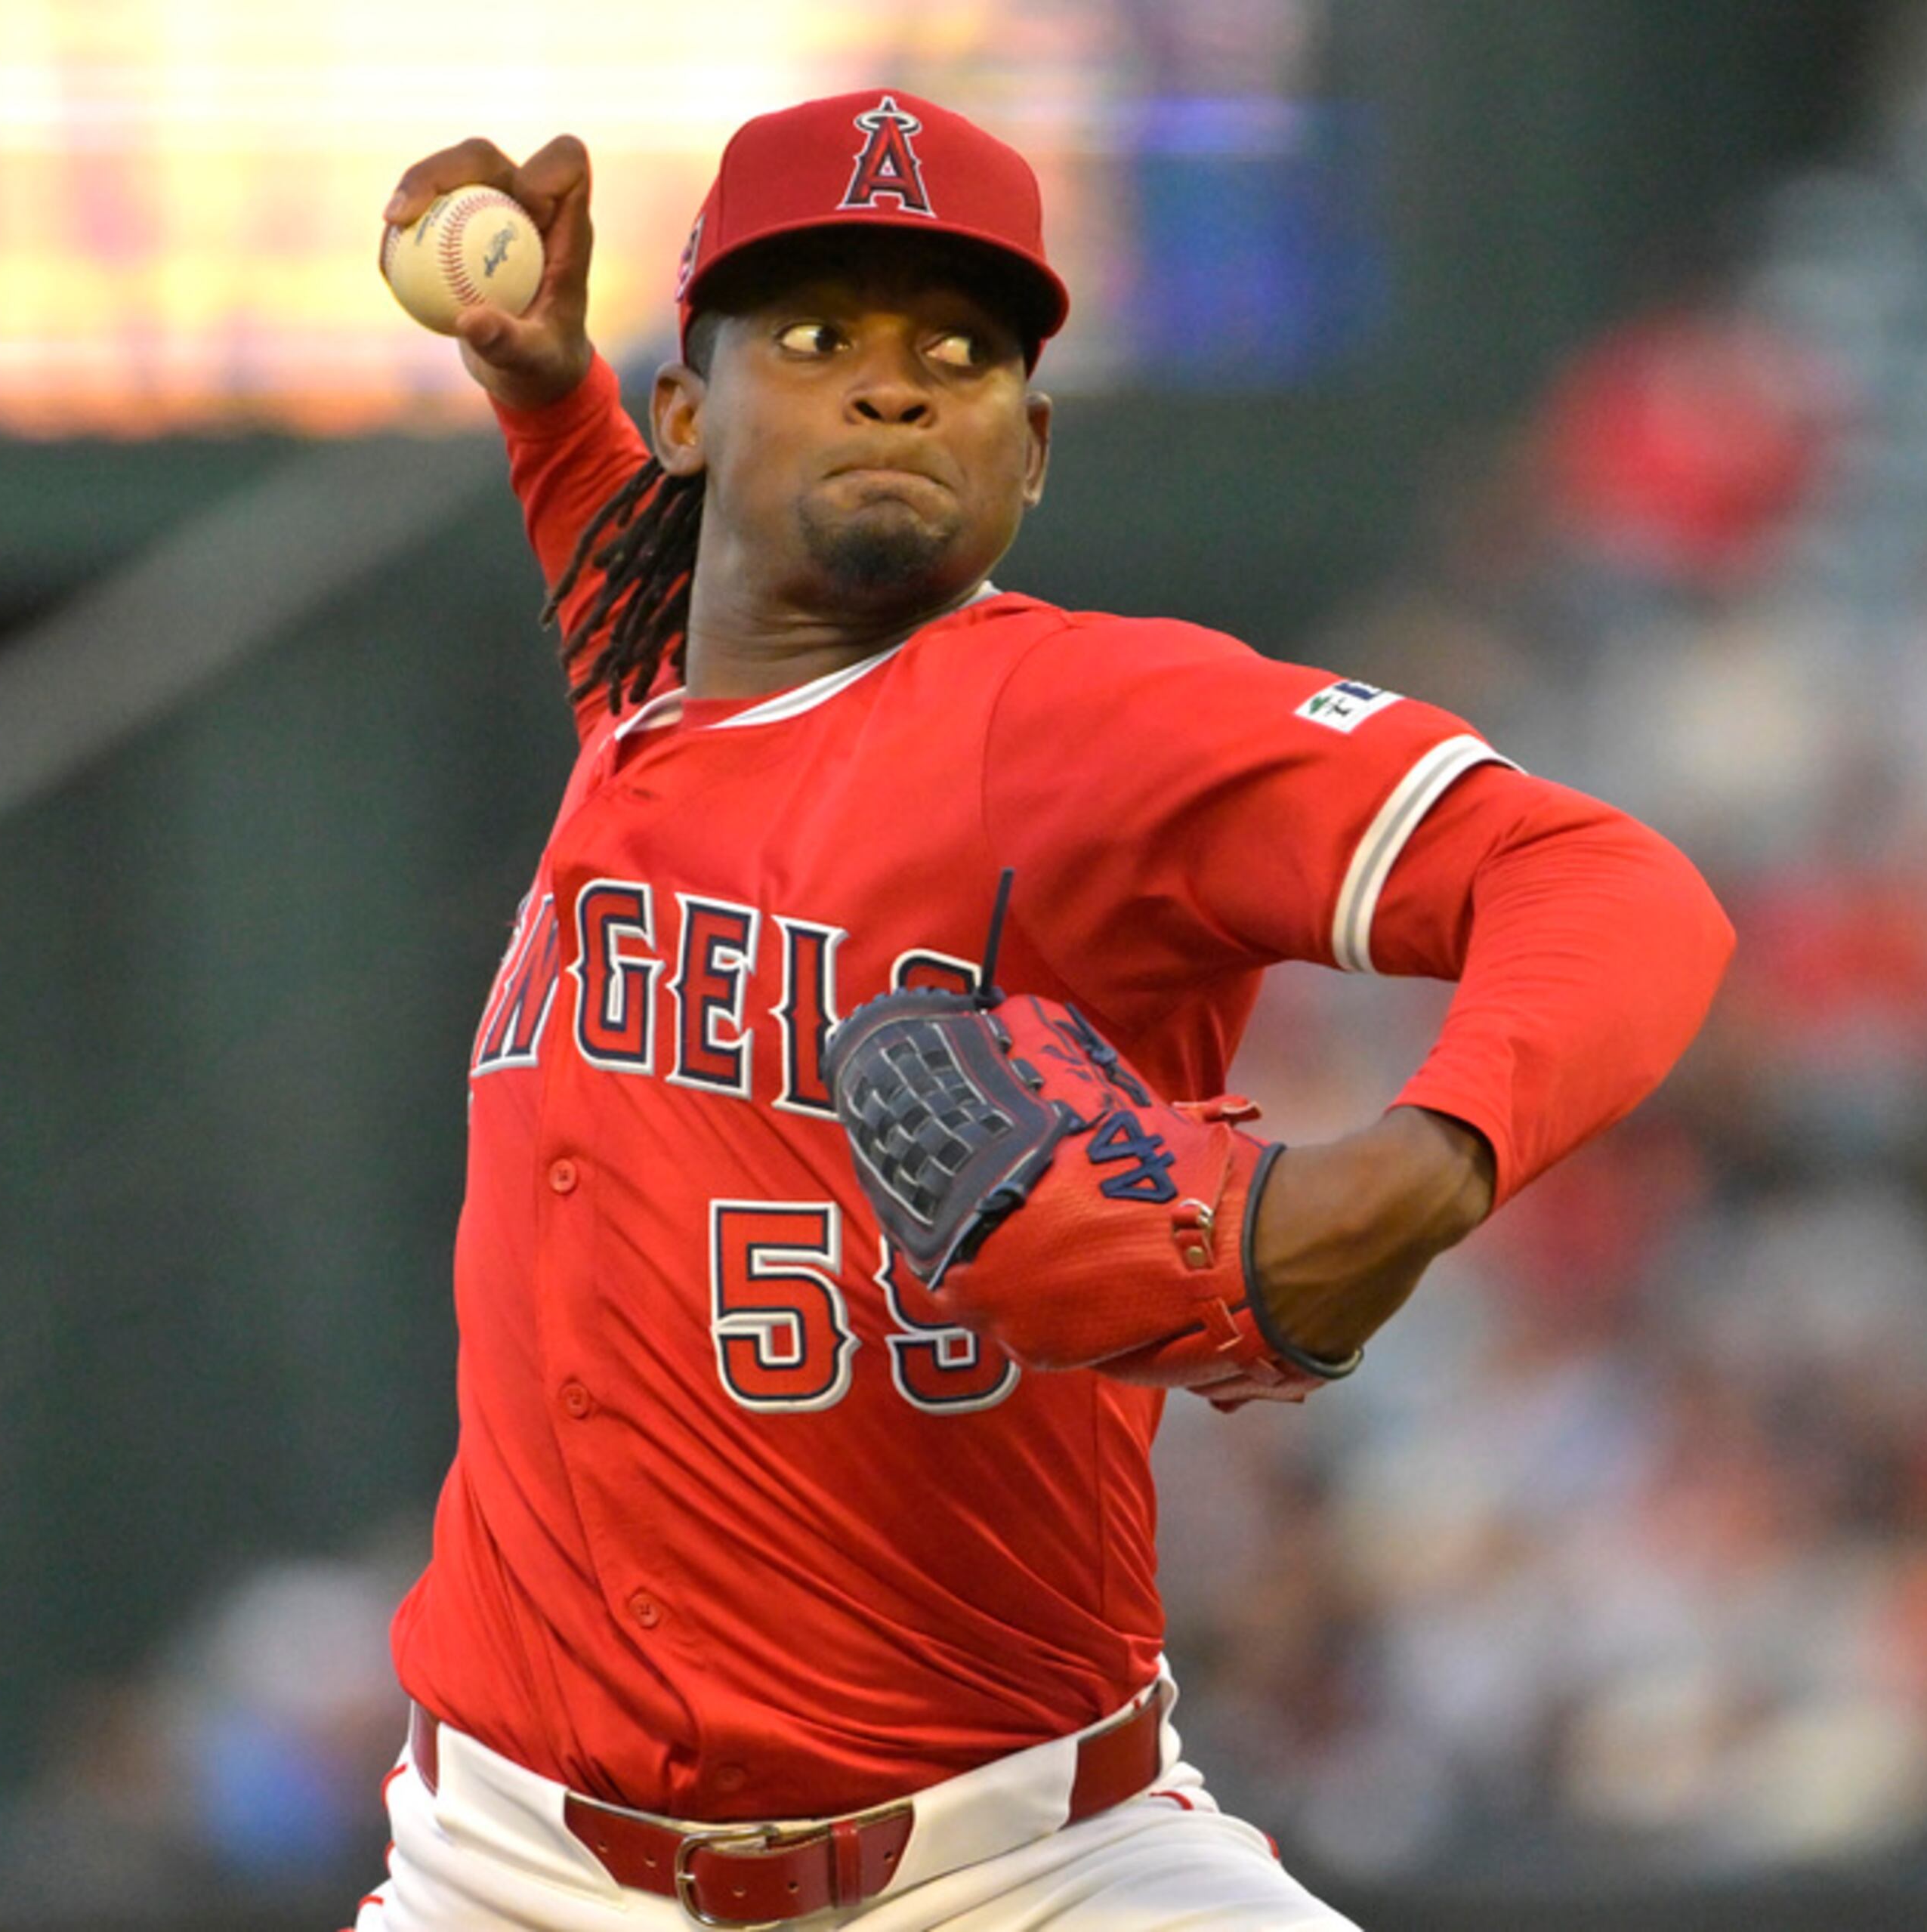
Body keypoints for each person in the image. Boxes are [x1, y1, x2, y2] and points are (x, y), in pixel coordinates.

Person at [360, 89, 1732, 1931]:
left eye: (963, 351)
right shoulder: (651, 698)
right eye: (820, 336)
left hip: (1023, 1868)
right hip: (510, 1876)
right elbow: (647, 592)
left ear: (1034, 452)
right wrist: (544, 391)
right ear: (685, 415)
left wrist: (1417, 1168)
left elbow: (1610, 884)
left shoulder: (1094, 725)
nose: (898, 384)